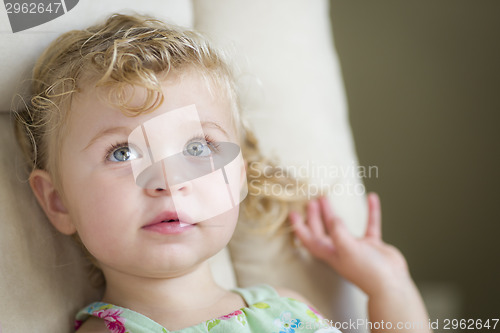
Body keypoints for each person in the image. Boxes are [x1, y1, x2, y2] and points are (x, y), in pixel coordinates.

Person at [15, 14, 431, 333]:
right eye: (123, 152)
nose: (169, 180)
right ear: (57, 201)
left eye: (198, 149)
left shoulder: (282, 308)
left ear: (239, 179)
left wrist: (389, 287)